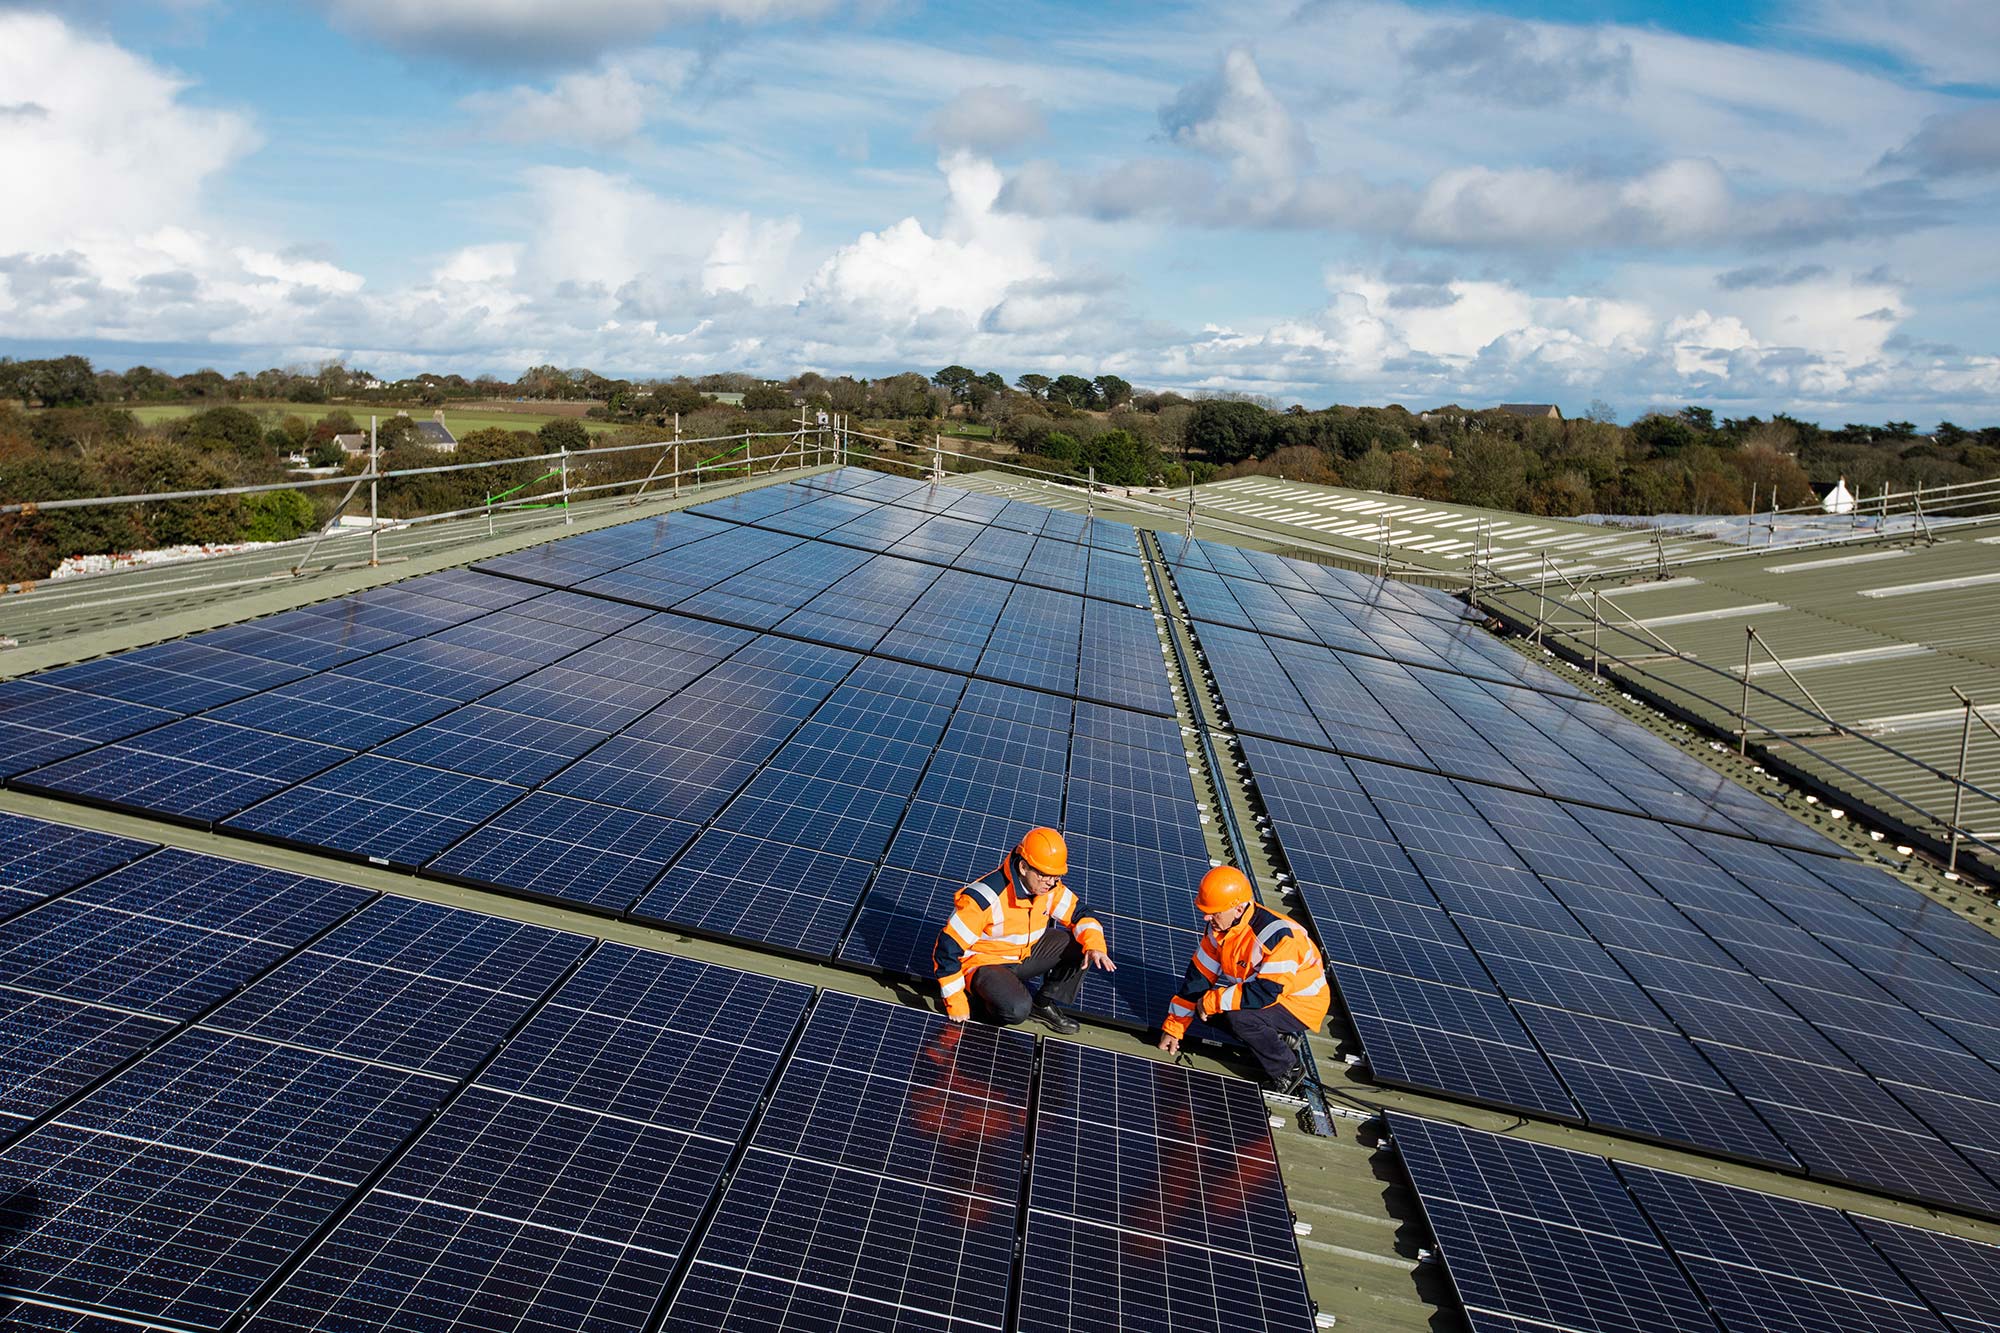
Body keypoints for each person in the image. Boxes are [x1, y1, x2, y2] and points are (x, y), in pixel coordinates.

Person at [1157, 865, 1328, 1093]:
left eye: (1214, 911)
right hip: (1269, 996)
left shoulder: (1276, 937)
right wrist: (1174, 1028)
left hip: (1300, 1003)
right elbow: (1197, 980)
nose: (1207, 917)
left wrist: (1214, 1001)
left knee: (1238, 1016)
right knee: (1208, 1006)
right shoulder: (1218, 930)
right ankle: (1276, 1038)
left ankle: (1288, 1069)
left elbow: (1266, 991)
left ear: (1238, 909)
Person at [933, 826, 1116, 1034]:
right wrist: (954, 999)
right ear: (1023, 867)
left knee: (1084, 944)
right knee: (1017, 1009)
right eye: (1045, 875)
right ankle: (981, 1004)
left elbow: (1082, 915)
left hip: (1023, 955)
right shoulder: (985, 897)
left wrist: (1096, 947)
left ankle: (1043, 1004)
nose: (1051, 882)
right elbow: (946, 949)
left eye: (1056, 876)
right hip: (984, 964)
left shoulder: (1049, 888)